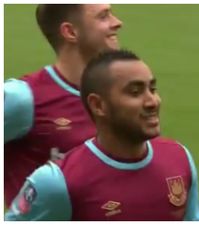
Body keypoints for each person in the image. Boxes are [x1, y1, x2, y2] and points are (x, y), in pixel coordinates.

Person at [6, 50, 199, 220]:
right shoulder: (58, 182)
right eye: (135, 92)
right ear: (98, 105)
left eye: (152, 89)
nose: (152, 101)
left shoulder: (179, 158)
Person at [4, 4, 122, 206]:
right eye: (103, 16)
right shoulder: (22, 98)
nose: (117, 22)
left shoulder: (120, 95)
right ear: (70, 31)